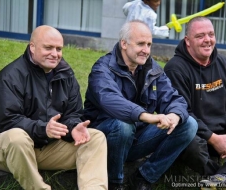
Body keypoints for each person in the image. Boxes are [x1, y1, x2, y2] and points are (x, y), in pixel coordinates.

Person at [82, 20, 197, 190]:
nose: (146, 50)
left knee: (188, 124)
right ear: (124, 43)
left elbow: (175, 99)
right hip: (105, 141)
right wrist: (147, 116)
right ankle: (115, 183)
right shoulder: (102, 68)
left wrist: (174, 115)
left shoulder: (153, 69)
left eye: (149, 44)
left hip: (138, 139)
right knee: (122, 126)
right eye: (141, 44)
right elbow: (110, 100)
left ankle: (144, 177)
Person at [0, 25, 108, 190]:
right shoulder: (10, 76)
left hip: (45, 148)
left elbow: (73, 113)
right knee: (17, 137)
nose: (55, 54)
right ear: (32, 47)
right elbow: (8, 121)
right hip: (8, 150)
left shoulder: (66, 75)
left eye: (59, 49)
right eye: (48, 48)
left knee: (95, 137)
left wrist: (73, 127)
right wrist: (43, 129)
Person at [164, 16, 226, 189]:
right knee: (187, 142)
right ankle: (218, 175)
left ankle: (224, 177)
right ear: (187, 41)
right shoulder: (175, 68)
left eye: (211, 34)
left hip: (224, 133)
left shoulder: (224, 64)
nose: (207, 40)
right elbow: (183, 113)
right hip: (196, 136)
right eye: (200, 36)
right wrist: (213, 139)